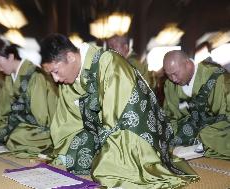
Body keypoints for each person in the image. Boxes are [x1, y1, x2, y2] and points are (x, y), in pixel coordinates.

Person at [40, 34, 198, 188]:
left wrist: (105, 150)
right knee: (75, 158)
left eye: (55, 71)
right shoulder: (70, 78)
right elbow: (68, 119)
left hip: (133, 127)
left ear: (70, 57)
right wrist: (66, 151)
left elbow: (117, 117)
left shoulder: (110, 62)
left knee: (109, 172)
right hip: (102, 129)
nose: (55, 79)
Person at [0, 44, 58, 158]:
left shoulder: (36, 75)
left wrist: (14, 125)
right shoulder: (9, 77)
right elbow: (2, 109)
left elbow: (43, 118)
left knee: (16, 136)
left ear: (11, 56)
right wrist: (1, 124)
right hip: (19, 123)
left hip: (39, 128)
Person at [163, 50, 230, 159]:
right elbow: (171, 117)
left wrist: (201, 132)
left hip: (218, 129)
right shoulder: (170, 85)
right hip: (192, 129)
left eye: (175, 73)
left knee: (206, 134)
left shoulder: (219, 79)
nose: (173, 79)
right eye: (169, 75)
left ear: (188, 64)